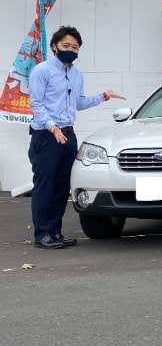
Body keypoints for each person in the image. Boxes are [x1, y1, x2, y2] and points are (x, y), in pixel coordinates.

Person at [28, 26, 125, 249]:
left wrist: (103, 96)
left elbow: (78, 102)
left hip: (68, 135)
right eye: (66, 46)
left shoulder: (76, 74)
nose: (70, 50)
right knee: (45, 186)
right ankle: (42, 234)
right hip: (46, 136)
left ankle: (55, 232)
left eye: (75, 47)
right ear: (54, 46)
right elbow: (36, 104)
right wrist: (52, 127)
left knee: (62, 187)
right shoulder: (41, 71)